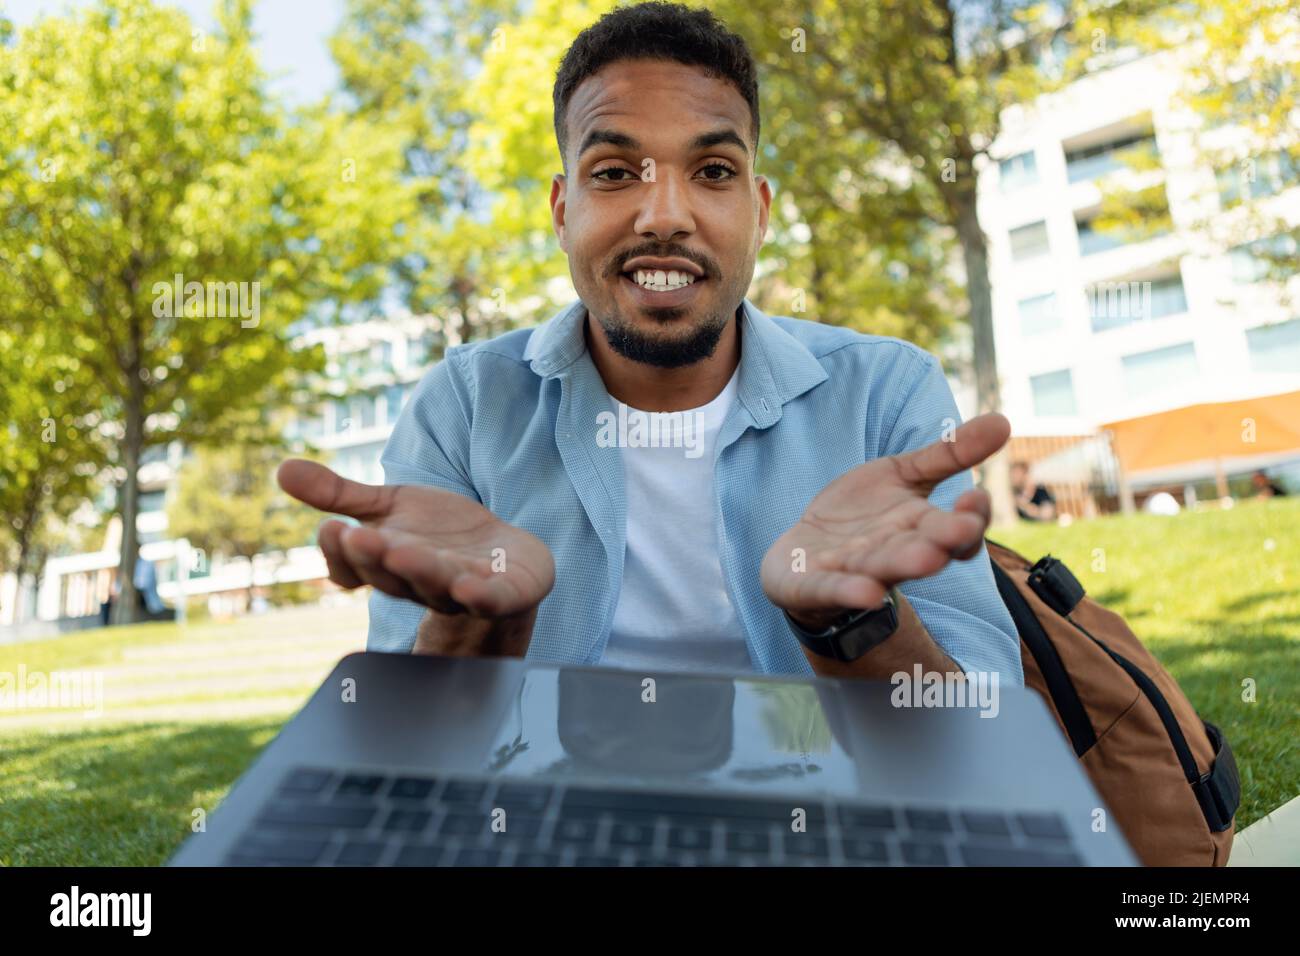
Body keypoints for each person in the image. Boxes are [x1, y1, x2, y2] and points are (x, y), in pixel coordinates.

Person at [277, 2, 1022, 687]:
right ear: (562, 212)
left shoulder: (885, 393)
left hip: (823, 820)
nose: (664, 215)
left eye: (713, 171)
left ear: (758, 213)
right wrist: (477, 628)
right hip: (543, 823)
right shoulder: (465, 406)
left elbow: (977, 726)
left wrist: (852, 620)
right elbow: (412, 753)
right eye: (613, 172)